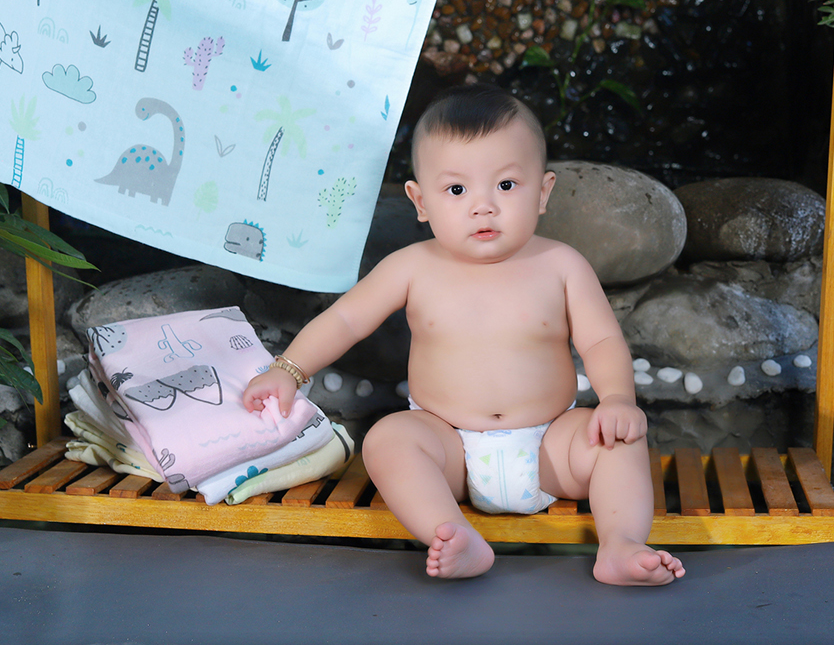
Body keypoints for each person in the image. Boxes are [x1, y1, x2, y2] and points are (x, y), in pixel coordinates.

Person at [242, 84, 684, 585]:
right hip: (448, 446)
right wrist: (289, 370)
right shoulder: (411, 267)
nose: (483, 206)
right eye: (457, 190)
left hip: (552, 446)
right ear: (420, 201)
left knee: (619, 441)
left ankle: (621, 544)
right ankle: (452, 533)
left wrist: (618, 399)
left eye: (506, 185)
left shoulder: (561, 265)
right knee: (389, 439)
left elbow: (601, 341)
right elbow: (345, 320)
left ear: (543, 192)